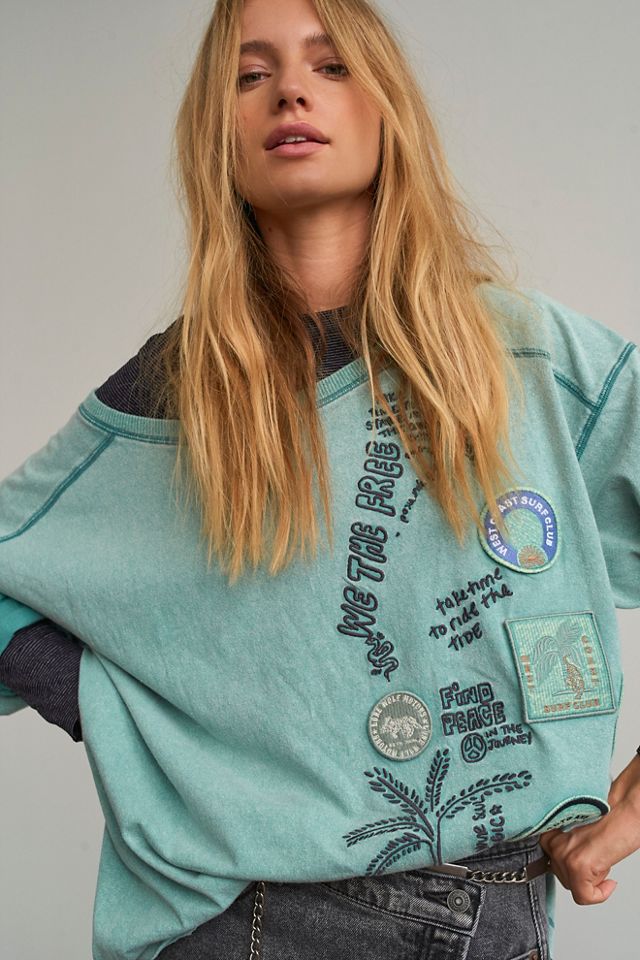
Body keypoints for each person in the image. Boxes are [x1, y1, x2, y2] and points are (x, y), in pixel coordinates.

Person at [1, 0, 639, 958]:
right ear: (216, 135)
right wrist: (114, 714)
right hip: (248, 921)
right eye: (250, 76)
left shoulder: (525, 357)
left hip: (501, 912)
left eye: (331, 65)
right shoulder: (174, 394)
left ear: (389, 108)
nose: (291, 90)